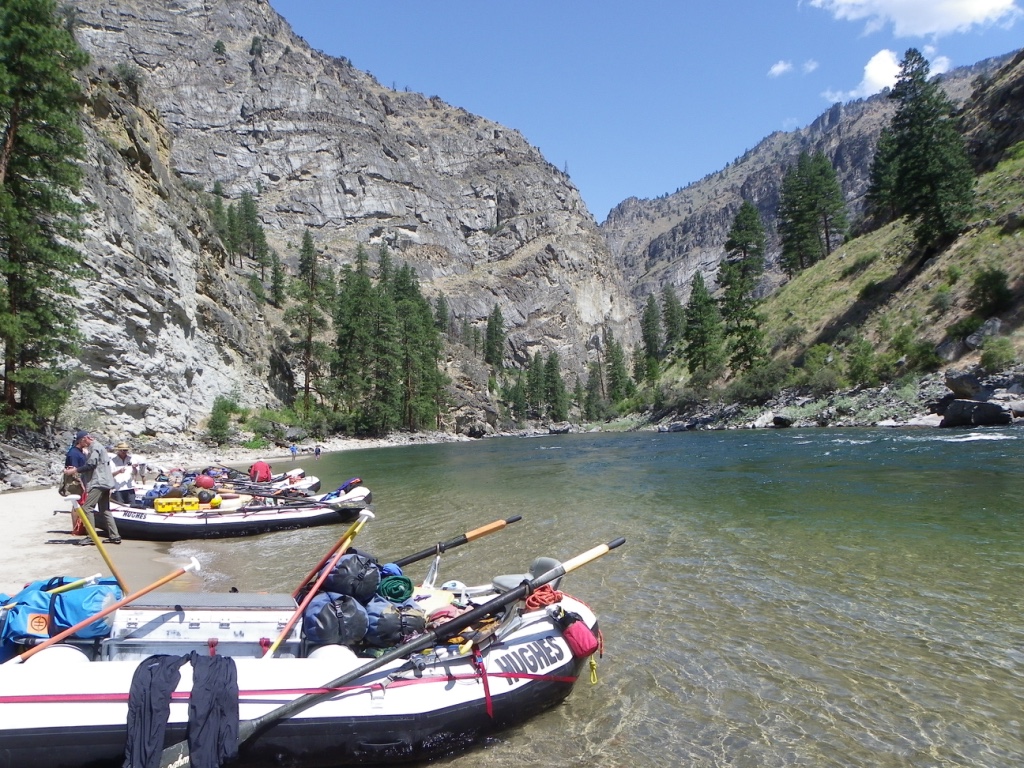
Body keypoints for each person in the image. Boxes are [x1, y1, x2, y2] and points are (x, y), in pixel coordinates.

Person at [63, 431, 121, 545]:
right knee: (105, 510)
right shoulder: (97, 447)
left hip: (98, 483)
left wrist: (74, 470)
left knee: (87, 508)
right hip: (106, 482)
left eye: (80, 442)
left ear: (85, 439)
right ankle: (115, 536)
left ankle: (91, 537)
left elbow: (91, 465)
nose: (81, 444)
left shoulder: (95, 447)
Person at [110, 442, 136, 506]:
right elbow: (109, 475)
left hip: (129, 487)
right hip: (117, 488)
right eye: (122, 450)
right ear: (118, 451)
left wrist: (134, 468)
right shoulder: (112, 461)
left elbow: (135, 473)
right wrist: (118, 472)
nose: (124, 452)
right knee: (120, 506)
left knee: (132, 505)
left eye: (126, 450)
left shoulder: (131, 459)